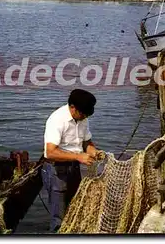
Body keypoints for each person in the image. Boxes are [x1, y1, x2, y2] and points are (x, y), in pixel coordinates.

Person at [42, 89, 100, 232]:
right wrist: (79, 156)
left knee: (75, 208)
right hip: (56, 170)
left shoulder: (83, 118)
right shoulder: (57, 120)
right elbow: (50, 152)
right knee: (59, 218)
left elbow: (87, 142)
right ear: (72, 107)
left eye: (87, 114)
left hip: (74, 168)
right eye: (82, 113)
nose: (84, 117)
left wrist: (94, 151)